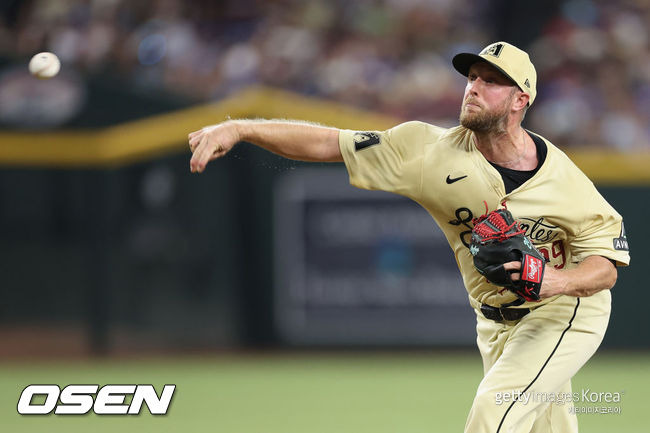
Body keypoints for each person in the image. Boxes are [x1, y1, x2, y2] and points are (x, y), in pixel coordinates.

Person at [188, 41, 630, 433]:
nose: (474, 87)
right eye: (472, 77)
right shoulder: (426, 151)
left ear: (520, 100)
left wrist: (556, 281)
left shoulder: (564, 179)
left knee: (494, 411)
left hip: (565, 311)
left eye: (492, 81)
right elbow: (330, 143)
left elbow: (605, 267)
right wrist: (240, 128)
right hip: (494, 325)